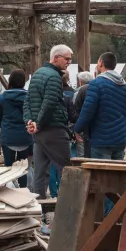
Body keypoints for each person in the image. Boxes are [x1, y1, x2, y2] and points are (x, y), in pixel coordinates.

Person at [24, 44, 73, 199]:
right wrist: (38, 123)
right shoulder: (53, 77)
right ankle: (69, 208)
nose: (69, 62)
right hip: (54, 130)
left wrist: (30, 122)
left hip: (40, 133)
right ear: (56, 57)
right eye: (67, 59)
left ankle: (39, 210)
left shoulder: (37, 74)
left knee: (40, 172)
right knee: (67, 171)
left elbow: (28, 101)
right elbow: (49, 103)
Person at [72, 52, 126, 161]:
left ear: (100, 63)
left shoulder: (96, 84)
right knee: (118, 175)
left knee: (101, 176)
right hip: (119, 141)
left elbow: (87, 111)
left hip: (101, 140)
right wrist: (124, 133)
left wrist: (77, 129)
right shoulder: (125, 87)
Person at [0, 69, 32, 187]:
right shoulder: (29, 97)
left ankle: (8, 194)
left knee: (8, 167)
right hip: (25, 136)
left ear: (10, 80)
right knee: (23, 168)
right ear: (23, 82)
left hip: (8, 136)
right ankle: (23, 191)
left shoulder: (3, 97)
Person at [49, 69, 80, 198]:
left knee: (51, 162)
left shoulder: (51, 92)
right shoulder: (72, 94)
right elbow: (73, 115)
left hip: (51, 131)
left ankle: (53, 192)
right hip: (67, 132)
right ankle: (64, 191)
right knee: (65, 162)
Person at [74, 70, 94, 158]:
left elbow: (75, 108)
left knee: (81, 152)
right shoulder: (96, 90)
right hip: (94, 126)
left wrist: (76, 128)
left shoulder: (78, 92)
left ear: (80, 81)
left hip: (81, 125)